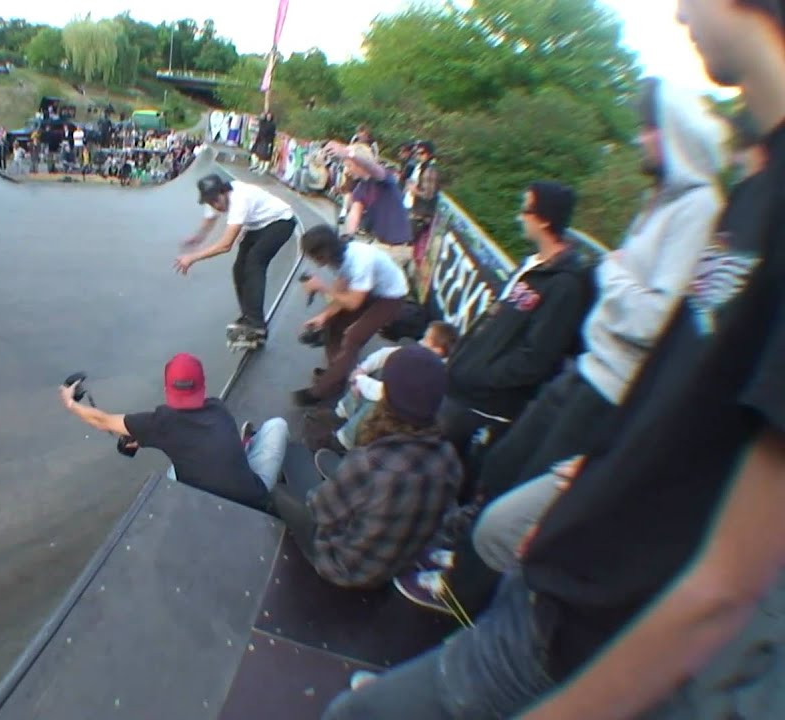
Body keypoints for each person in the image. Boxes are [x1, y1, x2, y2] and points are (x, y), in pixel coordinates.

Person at [324, 1, 785, 717]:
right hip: (579, 518)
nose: (679, 12)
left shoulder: (717, 210)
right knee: (498, 501)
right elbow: (680, 363)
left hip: (589, 609)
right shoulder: (747, 194)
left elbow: (732, 574)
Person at [404, 75, 730, 618]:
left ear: (673, 137)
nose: (639, 141)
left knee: (526, 492)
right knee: (504, 466)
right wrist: (622, 279)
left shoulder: (700, 210)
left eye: (649, 131)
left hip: (612, 386)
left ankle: (463, 596)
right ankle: (462, 564)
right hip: (586, 370)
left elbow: (659, 316)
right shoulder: (662, 204)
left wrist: (615, 277)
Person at [436, 181, 593, 485]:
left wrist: (481, 376)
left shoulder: (565, 285)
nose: (519, 217)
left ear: (545, 219)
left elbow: (537, 358)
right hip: (463, 389)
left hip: (485, 404)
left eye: (526, 209)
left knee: (451, 477)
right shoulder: (532, 265)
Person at [270, 345, 463, 589]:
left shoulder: (370, 465)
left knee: (280, 494)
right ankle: (351, 493)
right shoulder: (449, 457)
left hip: (345, 567)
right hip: (398, 562)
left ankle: (342, 490)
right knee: (362, 492)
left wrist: (326, 492)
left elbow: (318, 510)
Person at [58, 353, 289, 512]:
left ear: (167, 387)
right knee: (277, 426)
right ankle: (246, 446)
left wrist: (71, 404)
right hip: (253, 496)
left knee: (172, 471)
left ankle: (243, 449)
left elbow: (102, 421)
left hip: (207, 502)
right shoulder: (218, 407)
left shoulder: (160, 423)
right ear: (202, 386)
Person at [292, 224, 409, 406]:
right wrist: (324, 317)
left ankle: (319, 391)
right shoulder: (338, 258)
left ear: (324, 253)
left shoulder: (361, 260)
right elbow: (341, 290)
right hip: (370, 290)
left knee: (353, 337)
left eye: (314, 257)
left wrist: (321, 287)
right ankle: (335, 375)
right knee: (333, 324)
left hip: (391, 297)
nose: (313, 262)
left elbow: (353, 302)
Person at [174, 174, 298, 345]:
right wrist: (197, 237)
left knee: (255, 262)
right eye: (211, 203)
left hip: (281, 222)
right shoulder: (215, 200)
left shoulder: (240, 198)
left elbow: (225, 245)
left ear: (224, 191)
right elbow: (209, 219)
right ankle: (249, 316)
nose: (216, 206)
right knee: (239, 269)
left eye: (216, 201)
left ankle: (257, 325)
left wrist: (193, 258)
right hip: (256, 226)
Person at [332, 321, 459, 451]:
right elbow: (386, 354)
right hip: (392, 402)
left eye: (426, 339)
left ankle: (344, 442)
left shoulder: (424, 375)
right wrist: (363, 370)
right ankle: (342, 414)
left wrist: (359, 380)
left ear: (437, 350)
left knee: (377, 404)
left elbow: (384, 392)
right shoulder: (420, 357)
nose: (420, 341)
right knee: (376, 372)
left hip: (401, 420)